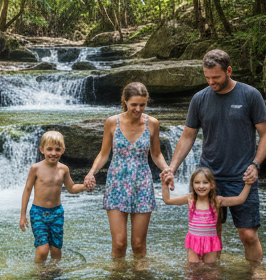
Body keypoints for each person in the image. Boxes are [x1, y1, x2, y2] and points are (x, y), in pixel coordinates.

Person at [161, 50, 266, 262]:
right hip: (209, 178)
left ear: (229, 71)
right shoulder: (199, 99)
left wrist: (256, 164)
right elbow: (187, 136)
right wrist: (171, 168)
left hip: (242, 176)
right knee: (213, 232)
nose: (211, 82)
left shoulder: (250, 95)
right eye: (207, 77)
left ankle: (255, 277)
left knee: (248, 235)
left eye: (216, 77)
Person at [84, 82, 169, 257]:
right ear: (125, 101)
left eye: (142, 105)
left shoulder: (152, 124)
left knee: (138, 244)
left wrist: (168, 169)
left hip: (143, 184)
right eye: (134, 105)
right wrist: (91, 172)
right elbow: (103, 154)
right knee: (119, 243)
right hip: (117, 184)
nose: (138, 109)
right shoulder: (111, 122)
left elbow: (156, 154)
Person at [19, 131, 87, 263]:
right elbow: (27, 190)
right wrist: (23, 215)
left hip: (57, 213)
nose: (53, 153)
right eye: (49, 149)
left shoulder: (64, 169)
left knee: (56, 250)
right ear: (42, 150)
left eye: (57, 149)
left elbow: (71, 188)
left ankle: (54, 274)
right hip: (38, 212)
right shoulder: (36, 168)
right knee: (43, 249)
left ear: (63, 150)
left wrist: (85, 186)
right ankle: (39, 274)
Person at [161, 168, 253, 262]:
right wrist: (164, 184)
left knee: (210, 271)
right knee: (192, 269)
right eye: (197, 182)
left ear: (212, 185)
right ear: (192, 184)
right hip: (193, 242)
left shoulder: (217, 201)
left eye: (205, 182)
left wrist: (248, 184)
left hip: (211, 242)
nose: (201, 186)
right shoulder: (190, 199)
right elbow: (168, 200)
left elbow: (240, 199)